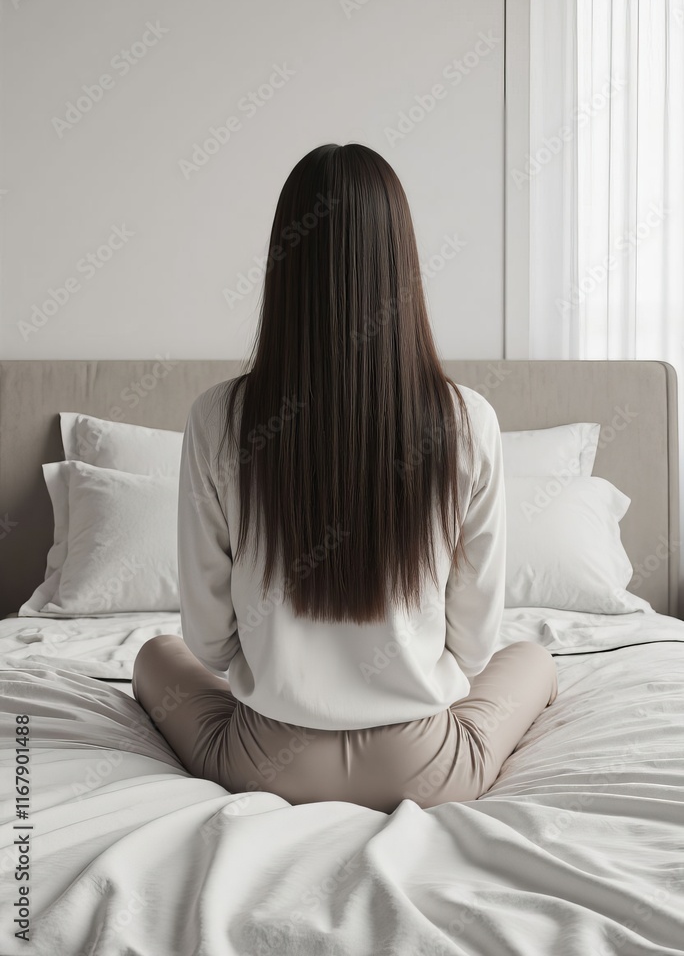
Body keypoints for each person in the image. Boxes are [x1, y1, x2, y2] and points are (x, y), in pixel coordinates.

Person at [132, 143, 557, 813]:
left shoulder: (218, 418)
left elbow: (209, 647)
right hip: (422, 766)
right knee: (532, 659)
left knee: (155, 653)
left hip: (264, 762)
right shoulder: (467, 420)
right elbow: (474, 649)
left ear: (284, 263)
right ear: (402, 264)